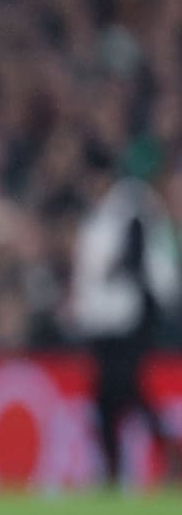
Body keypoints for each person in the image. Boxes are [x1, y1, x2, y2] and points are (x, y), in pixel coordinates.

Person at [69, 174, 182, 485]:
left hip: (125, 324)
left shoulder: (129, 209)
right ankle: (121, 466)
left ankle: (124, 464)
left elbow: (136, 263)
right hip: (105, 326)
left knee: (119, 392)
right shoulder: (102, 219)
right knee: (113, 396)